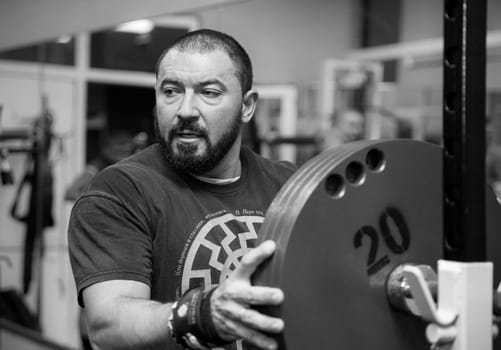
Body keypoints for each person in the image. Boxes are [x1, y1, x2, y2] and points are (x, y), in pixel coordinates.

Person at [67, 28, 296, 350]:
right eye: (171, 91)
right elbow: (108, 324)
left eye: (210, 93)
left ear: (247, 106)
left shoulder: (290, 186)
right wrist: (199, 314)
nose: (185, 110)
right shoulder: (119, 191)